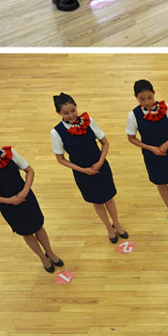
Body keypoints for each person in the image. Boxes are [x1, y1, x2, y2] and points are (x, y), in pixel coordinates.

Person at [0, 124, 64, 273]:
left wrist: (25, 191)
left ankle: (50, 252)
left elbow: (29, 171)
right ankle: (42, 258)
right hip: (8, 205)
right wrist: (10, 201)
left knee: (39, 226)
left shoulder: (10, 152)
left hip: (26, 197)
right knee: (26, 232)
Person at [51, 92, 129, 243]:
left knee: (109, 198)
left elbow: (105, 143)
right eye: (66, 113)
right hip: (82, 173)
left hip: (101, 167)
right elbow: (60, 159)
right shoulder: (56, 132)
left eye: (73, 111)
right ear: (58, 113)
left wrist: (100, 161)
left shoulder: (88, 120)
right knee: (97, 201)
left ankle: (117, 224)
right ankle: (108, 227)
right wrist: (83, 170)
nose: (71, 115)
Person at [126, 79, 168, 225]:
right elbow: (131, 138)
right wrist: (151, 148)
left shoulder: (166, 108)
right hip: (151, 154)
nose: (147, 102)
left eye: (149, 98)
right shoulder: (133, 115)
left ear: (154, 94)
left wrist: (167, 143)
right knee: (160, 182)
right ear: (136, 97)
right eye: (142, 99)